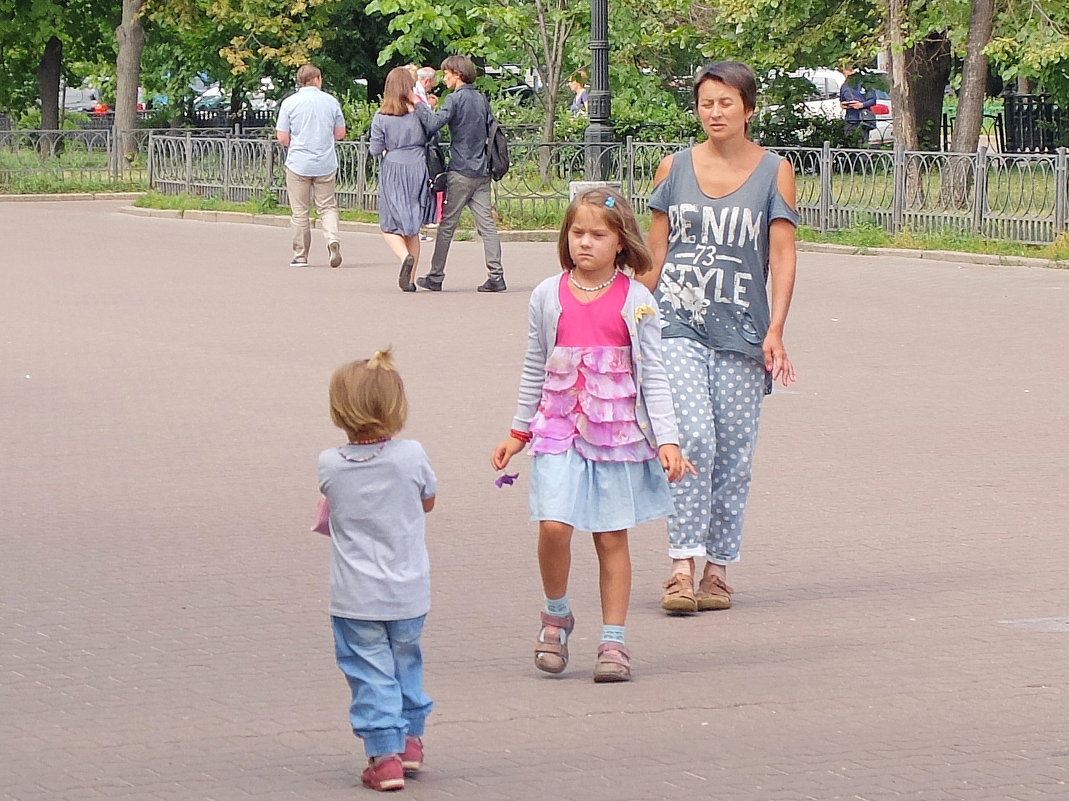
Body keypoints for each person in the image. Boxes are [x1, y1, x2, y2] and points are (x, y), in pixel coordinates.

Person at [491, 186, 692, 683]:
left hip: (616, 431)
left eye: (598, 235)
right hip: (558, 426)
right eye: (577, 233)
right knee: (553, 524)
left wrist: (667, 438)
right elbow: (535, 364)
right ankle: (556, 614)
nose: (585, 243)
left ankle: (614, 640)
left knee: (609, 535)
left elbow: (655, 375)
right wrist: (519, 431)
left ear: (621, 242)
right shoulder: (546, 295)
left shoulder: (637, 299)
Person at [640, 61, 798, 615]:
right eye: (707, 103)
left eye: (726, 102)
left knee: (734, 455)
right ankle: (681, 566)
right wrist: (628, 315)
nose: (715, 113)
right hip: (677, 325)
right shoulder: (674, 169)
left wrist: (776, 329)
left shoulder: (775, 171)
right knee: (691, 439)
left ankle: (717, 572)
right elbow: (654, 254)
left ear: (748, 108)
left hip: (744, 333)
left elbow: (780, 256)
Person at [319, 348, 437, 792]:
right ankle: (410, 740)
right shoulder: (411, 455)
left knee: (369, 671)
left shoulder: (330, 464)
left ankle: (383, 753)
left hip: (355, 596)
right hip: (408, 590)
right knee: (406, 661)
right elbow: (427, 501)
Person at [416, 55, 506, 294]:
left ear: (457, 74)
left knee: (447, 226)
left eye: (446, 74)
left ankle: (435, 276)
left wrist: (419, 105)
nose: (444, 78)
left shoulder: (454, 99)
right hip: (482, 171)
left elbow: (434, 124)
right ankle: (496, 275)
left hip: (461, 171)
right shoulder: (481, 99)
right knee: (487, 226)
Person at [369, 67, 437, 293]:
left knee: (390, 224)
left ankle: (403, 256)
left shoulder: (381, 115)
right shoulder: (418, 111)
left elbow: (375, 149)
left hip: (394, 168)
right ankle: (410, 279)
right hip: (418, 165)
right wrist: (419, 103)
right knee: (412, 227)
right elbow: (434, 132)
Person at [275, 63, 346, 268]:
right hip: (325, 162)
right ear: (317, 79)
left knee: (299, 212)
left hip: (299, 163)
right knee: (327, 206)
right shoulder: (331, 102)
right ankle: (332, 240)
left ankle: (300, 255)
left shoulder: (289, 103)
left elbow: (282, 137)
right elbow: (340, 134)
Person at [839, 66, 877, 146]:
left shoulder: (864, 84)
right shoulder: (844, 86)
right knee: (850, 145)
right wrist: (844, 105)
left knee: (862, 145)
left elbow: (873, 100)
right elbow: (841, 101)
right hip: (850, 120)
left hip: (863, 120)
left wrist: (861, 105)